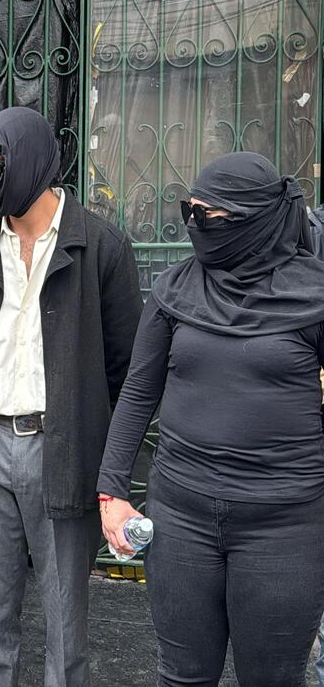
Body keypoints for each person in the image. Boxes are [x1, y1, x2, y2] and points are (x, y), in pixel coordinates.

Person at [99, 152, 324, 684]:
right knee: (183, 675)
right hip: (181, 518)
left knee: (270, 678)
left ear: (257, 219)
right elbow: (138, 391)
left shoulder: (315, 295)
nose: (195, 225)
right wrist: (112, 491)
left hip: (285, 526)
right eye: (189, 211)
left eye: (210, 215)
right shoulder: (175, 289)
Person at [0, 106, 142, 686]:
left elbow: (125, 368)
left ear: (31, 162)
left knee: (65, 627)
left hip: (62, 448)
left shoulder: (101, 246)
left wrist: (105, 458)